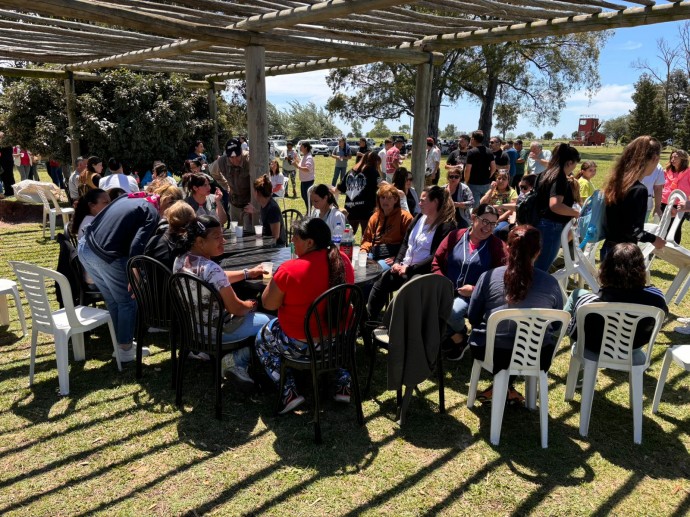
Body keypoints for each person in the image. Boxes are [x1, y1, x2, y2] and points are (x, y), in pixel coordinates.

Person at [255, 217, 355, 413]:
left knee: (263, 337)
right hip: (339, 343)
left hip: (303, 346)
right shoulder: (342, 260)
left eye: (295, 237)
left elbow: (268, 303)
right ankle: (342, 380)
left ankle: (288, 391)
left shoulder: (290, 269)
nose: (292, 241)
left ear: (310, 242)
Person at [78, 186, 183, 362]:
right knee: (128, 300)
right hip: (106, 255)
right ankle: (125, 349)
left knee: (113, 300)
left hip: (85, 247)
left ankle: (122, 343)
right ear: (166, 202)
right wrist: (135, 276)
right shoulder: (151, 212)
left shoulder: (130, 197)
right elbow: (136, 247)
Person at [466, 225, 563, 403]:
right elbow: (557, 324)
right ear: (539, 252)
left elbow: (473, 317)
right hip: (537, 355)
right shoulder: (551, 283)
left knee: (503, 343)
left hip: (491, 353)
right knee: (521, 344)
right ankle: (506, 388)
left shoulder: (488, 277)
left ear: (508, 248)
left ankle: (501, 387)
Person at [174, 215, 271, 389]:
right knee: (273, 325)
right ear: (200, 241)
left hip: (192, 329)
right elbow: (237, 308)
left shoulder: (181, 259)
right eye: (217, 237)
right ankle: (235, 361)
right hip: (218, 332)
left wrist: (248, 272)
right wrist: (251, 305)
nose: (223, 240)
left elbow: (215, 278)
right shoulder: (212, 269)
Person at [367, 186, 456, 320]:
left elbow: (435, 257)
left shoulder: (446, 226)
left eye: (423, 201)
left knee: (404, 295)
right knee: (380, 284)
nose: (419, 203)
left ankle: (392, 326)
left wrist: (409, 269)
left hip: (423, 273)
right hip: (404, 267)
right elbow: (405, 243)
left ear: (435, 202)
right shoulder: (419, 217)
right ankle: (370, 321)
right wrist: (397, 262)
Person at [431, 204, 507, 361]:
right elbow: (436, 261)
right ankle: (460, 337)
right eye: (485, 221)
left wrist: (475, 289)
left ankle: (454, 338)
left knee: (450, 311)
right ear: (473, 218)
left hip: (474, 296)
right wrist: (443, 283)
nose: (488, 227)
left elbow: (501, 278)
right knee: (426, 308)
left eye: (493, 224)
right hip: (445, 290)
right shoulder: (456, 236)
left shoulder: (497, 246)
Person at [566, 242, 668, 356]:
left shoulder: (588, 303)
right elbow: (658, 322)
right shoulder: (657, 298)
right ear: (641, 269)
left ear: (605, 268)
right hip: (632, 348)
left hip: (593, 347)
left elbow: (573, 332)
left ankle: (556, 327)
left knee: (577, 293)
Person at [601, 136, 665, 260]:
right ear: (655, 159)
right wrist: (654, 239)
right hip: (623, 256)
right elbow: (633, 230)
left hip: (608, 249)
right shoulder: (638, 190)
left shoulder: (617, 183)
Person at [533, 143, 581, 271]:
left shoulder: (545, 174)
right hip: (551, 227)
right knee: (542, 267)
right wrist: (575, 213)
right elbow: (555, 205)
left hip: (538, 222)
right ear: (570, 162)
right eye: (575, 163)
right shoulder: (559, 177)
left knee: (537, 264)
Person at [360, 182, 414, 264]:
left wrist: (398, 257)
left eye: (389, 198)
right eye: (382, 197)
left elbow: (410, 243)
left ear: (395, 199)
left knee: (377, 268)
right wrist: (363, 251)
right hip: (374, 252)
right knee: (358, 264)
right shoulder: (375, 217)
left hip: (392, 256)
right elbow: (367, 239)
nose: (385, 201)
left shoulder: (405, 217)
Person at [209, 138, 252, 231]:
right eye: (231, 158)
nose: (235, 160)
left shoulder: (249, 159)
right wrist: (226, 186)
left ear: (241, 151)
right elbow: (213, 172)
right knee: (235, 233)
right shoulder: (222, 161)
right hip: (234, 204)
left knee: (250, 233)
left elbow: (259, 180)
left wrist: (255, 202)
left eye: (237, 156)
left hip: (249, 204)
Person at [334, 151, 380, 234]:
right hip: (366, 210)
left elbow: (340, 188)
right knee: (367, 238)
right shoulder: (373, 172)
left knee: (347, 237)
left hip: (350, 209)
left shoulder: (350, 172)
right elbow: (381, 185)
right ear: (376, 161)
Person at [144, 200, 196, 269]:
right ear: (192, 220)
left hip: (150, 279)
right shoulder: (191, 245)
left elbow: (143, 265)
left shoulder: (154, 240)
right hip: (174, 279)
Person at [244, 175, 286, 246]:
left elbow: (276, 236)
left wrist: (261, 246)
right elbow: (267, 216)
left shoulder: (272, 209)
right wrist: (255, 211)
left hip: (277, 248)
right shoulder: (265, 203)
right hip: (267, 243)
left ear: (257, 193)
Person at [660, 149, 690, 243]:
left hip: (680, 205)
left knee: (675, 227)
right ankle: (662, 246)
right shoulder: (667, 171)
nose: (673, 159)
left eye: (676, 157)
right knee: (664, 225)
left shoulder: (688, 173)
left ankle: (674, 247)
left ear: (683, 159)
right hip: (664, 203)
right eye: (672, 157)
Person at [480, 169, 517, 239]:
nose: (501, 181)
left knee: (496, 230)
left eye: (504, 179)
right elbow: (482, 203)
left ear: (508, 181)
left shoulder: (512, 192)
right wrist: (491, 190)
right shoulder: (492, 190)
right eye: (499, 178)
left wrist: (500, 219)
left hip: (504, 219)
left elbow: (512, 209)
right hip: (489, 217)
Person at [464, 130, 496, 206]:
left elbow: (467, 169)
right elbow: (493, 167)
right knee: (484, 205)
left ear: (474, 139)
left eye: (471, 138)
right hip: (486, 183)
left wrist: (466, 182)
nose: (470, 140)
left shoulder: (471, 152)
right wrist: (489, 176)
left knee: (474, 207)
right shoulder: (489, 151)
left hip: (473, 183)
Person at [296, 141, 315, 212]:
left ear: (306, 148)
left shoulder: (309, 157)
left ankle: (309, 212)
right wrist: (297, 161)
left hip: (308, 181)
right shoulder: (305, 156)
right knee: (304, 197)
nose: (300, 148)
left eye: (301, 147)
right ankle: (309, 211)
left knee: (307, 198)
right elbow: (302, 164)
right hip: (304, 180)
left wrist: (297, 166)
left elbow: (307, 169)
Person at [0, 131, 16, 197]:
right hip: (7, 162)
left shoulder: (5, 145)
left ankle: (10, 192)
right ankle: (9, 191)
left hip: (6, 162)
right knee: (7, 177)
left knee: (7, 177)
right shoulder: (8, 144)